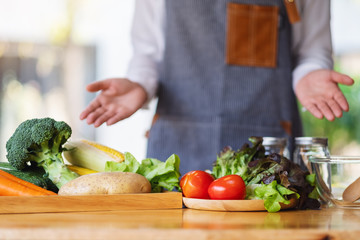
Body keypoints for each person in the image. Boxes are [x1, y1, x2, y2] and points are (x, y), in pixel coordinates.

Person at [80, 0, 354, 174]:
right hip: (178, 142)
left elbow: (311, 50)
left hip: (268, 144)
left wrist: (310, 72)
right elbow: (149, 52)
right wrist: (139, 83)